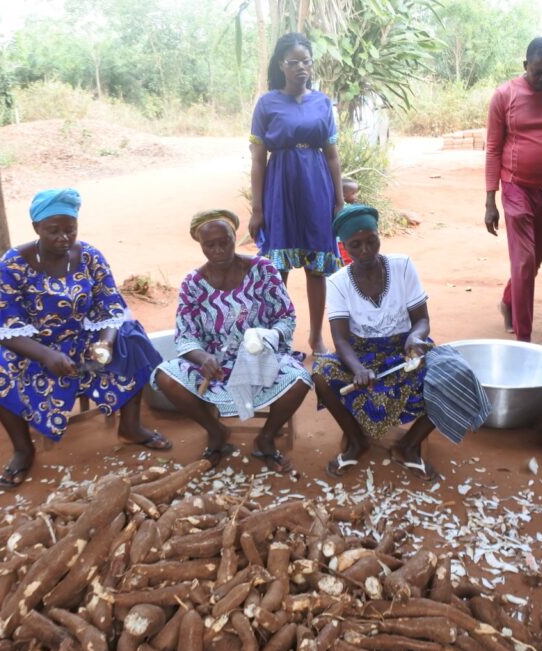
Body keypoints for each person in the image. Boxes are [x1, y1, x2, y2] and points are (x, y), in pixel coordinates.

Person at [0, 188, 169, 489]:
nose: (63, 238)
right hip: (30, 344)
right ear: (36, 228)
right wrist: (46, 355)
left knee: (131, 337)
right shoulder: (11, 265)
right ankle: (23, 449)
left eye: (70, 229)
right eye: (53, 230)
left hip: (81, 336)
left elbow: (111, 305)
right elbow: (2, 325)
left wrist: (103, 342)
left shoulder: (89, 256)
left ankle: (131, 427)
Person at [312, 205, 491, 481]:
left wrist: (415, 338)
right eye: (355, 245)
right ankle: (356, 439)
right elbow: (340, 339)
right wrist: (358, 369)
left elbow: (422, 319)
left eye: (371, 240)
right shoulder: (337, 282)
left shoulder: (402, 265)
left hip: (405, 353)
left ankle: (409, 445)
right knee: (321, 375)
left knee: (456, 375)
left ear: (378, 235)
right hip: (361, 356)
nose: (365, 250)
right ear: (344, 246)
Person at [153, 210, 311, 473]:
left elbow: (286, 317)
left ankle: (267, 437)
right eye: (209, 245)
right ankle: (216, 431)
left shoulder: (263, 269)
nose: (218, 250)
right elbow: (185, 334)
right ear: (201, 245)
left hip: (262, 352)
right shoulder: (193, 283)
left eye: (224, 241)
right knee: (165, 377)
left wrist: (268, 337)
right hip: (215, 361)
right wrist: (203, 358)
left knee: (299, 380)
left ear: (234, 237)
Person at [249, 32, 344, 355]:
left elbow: (332, 155)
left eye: (306, 61)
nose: (301, 68)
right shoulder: (267, 103)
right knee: (279, 271)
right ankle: (280, 339)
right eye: (294, 62)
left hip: (317, 185)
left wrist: (339, 201)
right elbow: (258, 161)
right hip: (280, 186)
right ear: (281, 65)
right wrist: (258, 208)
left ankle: (316, 337)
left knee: (317, 268)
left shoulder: (322, 101)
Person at [484, 37, 542, 341]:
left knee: (534, 259)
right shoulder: (504, 95)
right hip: (515, 186)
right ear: (525, 66)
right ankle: (524, 338)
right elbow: (493, 148)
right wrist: (490, 200)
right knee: (523, 262)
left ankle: (509, 300)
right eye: (538, 72)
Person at [336, 178, 360, 266]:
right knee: (347, 262)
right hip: (343, 242)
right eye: (353, 193)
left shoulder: (337, 206)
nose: (356, 196)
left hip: (341, 241)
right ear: (343, 196)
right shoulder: (346, 209)